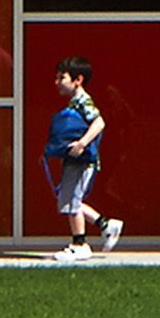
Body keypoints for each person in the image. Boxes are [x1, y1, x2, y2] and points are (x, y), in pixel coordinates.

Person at [42, 55, 123, 260]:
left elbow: (99, 122)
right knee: (69, 200)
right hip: (72, 160)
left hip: (82, 161)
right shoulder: (73, 102)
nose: (57, 82)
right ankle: (106, 225)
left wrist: (81, 144)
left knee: (73, 202)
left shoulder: (83, 101)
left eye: (62, 77)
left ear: (77, 79)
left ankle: (79, 244)